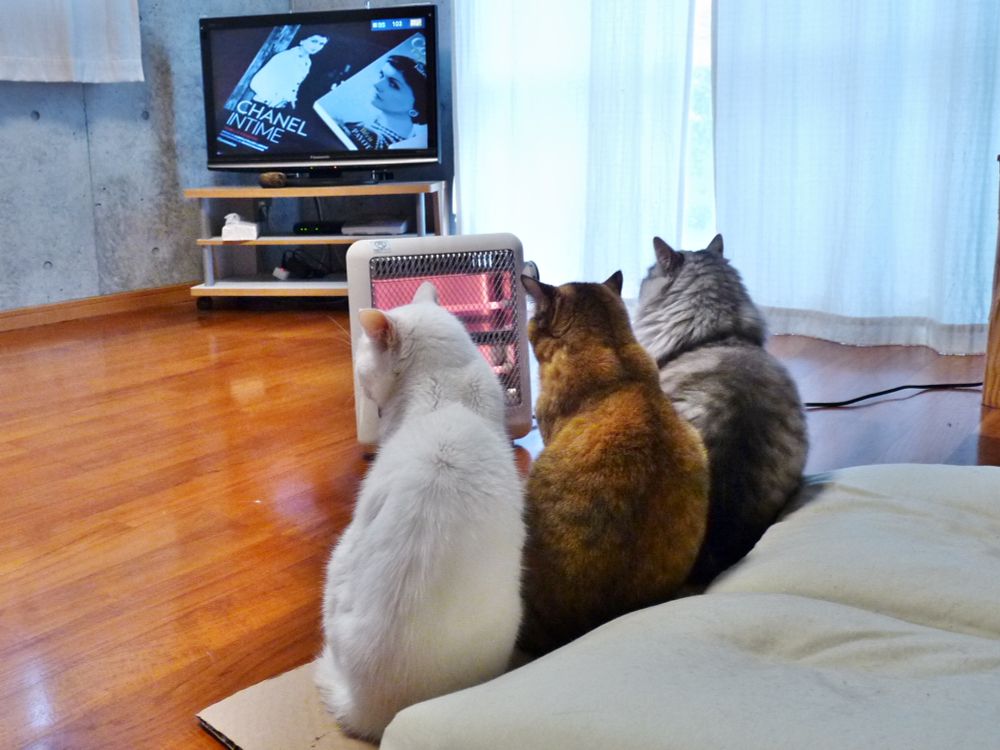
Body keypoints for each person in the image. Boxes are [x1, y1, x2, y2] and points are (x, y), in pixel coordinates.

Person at [341, 54, 429, 150]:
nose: (376, 84)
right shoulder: (360, 124)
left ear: (415, 110)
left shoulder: (378, 142)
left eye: (393, 84)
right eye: (381, 75)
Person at [249, 34, 328, 109]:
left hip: (280, 105)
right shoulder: (286, 56)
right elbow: (258, 81)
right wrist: (270, 98)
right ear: (302, 41)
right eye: (314, 41)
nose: (317, 46)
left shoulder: (307, 62)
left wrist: (291, 100)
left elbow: (294, 85)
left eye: (321, 44)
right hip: (264, 103)